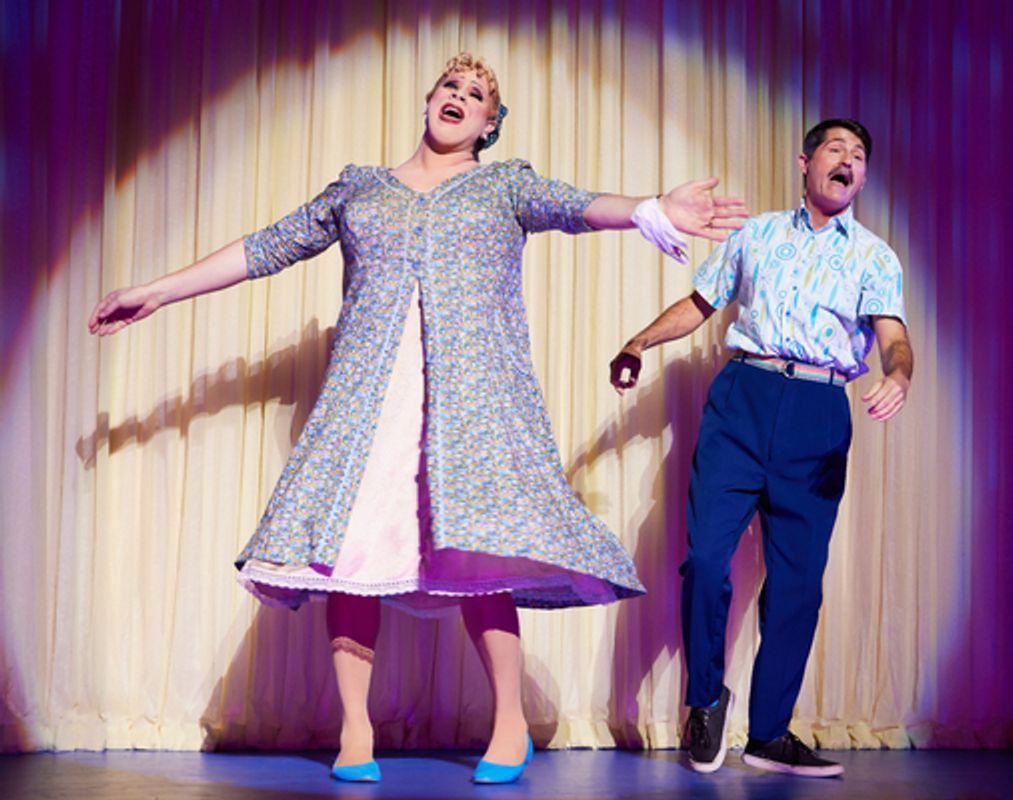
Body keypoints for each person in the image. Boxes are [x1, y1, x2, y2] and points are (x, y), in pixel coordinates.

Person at [89, 53, 747, 784]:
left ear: (490, 125)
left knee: (479, 552)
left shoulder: (505, 184)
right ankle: (356, 730)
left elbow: (579, 205)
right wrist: (156, 290)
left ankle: (506, 723)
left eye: (478, 95)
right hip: (369, 400)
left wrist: (653, 207)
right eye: (451, 87)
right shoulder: (360, 189)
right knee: (351, 555)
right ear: (428, 99)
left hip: (473, 401)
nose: (460, 97)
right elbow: (263, 249)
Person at [609, 118, 912, 778]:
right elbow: (701, 302)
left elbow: (892, 335)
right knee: (705, 562)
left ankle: (770, 733)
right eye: (836, 149)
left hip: (819, 411)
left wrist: (899, 372)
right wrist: (638, 340)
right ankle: (706, 701)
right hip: (743, 398)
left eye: (859, 155)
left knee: (799, 586)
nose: (848, 161)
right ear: (805, 163)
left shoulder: (873, 256)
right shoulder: (756, 235)